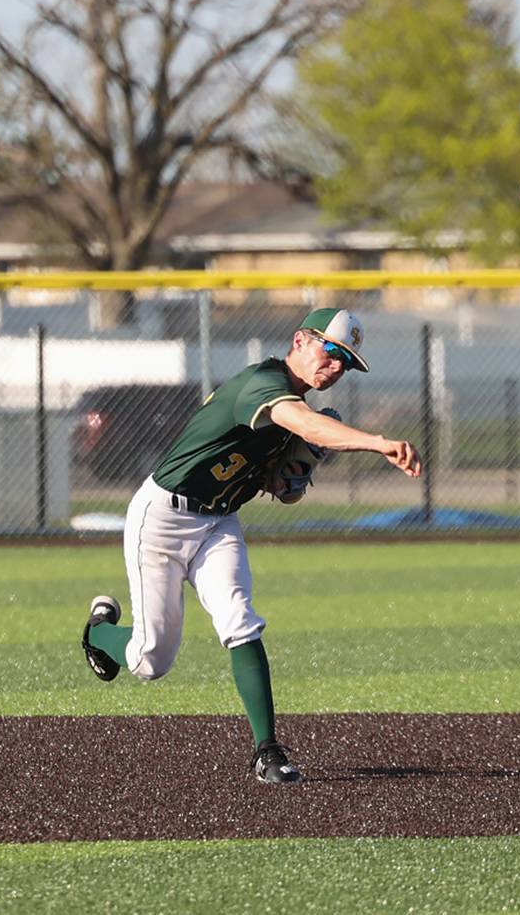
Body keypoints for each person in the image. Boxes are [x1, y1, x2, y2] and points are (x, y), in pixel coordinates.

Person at [81, 307, 422, 783]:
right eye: (332, 350)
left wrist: (292, 477)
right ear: (301, 341)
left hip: (218, 522)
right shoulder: (263, 383)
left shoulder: (295, 407)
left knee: (240, 621)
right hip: (161, 519)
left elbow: (283, 489)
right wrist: (377, 442)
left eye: (347, 361)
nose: (338, 366)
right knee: (149, 660)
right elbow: (304, 424)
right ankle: (98, 631)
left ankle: (268, 751)